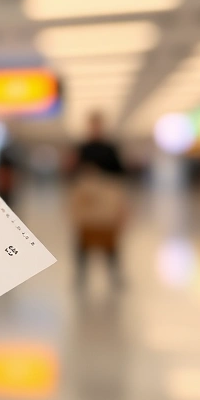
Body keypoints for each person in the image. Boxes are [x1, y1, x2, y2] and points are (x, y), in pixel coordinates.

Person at [69, 112, 128, 291]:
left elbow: (120, 174)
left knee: (110, 240)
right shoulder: (82, 148)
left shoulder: (110, 148)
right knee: (83, 240)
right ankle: (81, 275)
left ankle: (114, 274)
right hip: (87, 201)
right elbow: (73, 174)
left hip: (106, 203)